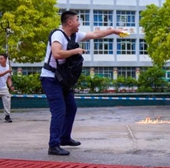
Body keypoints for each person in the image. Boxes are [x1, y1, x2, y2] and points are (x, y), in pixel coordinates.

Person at [41, 10, 124, 156]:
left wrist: (113, 31)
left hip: (63, 79)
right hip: (50, 78)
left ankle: (64, 138)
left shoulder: (74, 35)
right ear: (70, 22)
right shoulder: (58, 35)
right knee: (59, 111)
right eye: (78, 20)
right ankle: (53, 145)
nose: (80, 23)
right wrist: (76, 51)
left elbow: (95, 34)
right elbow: (57, 53)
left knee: (71, 108)